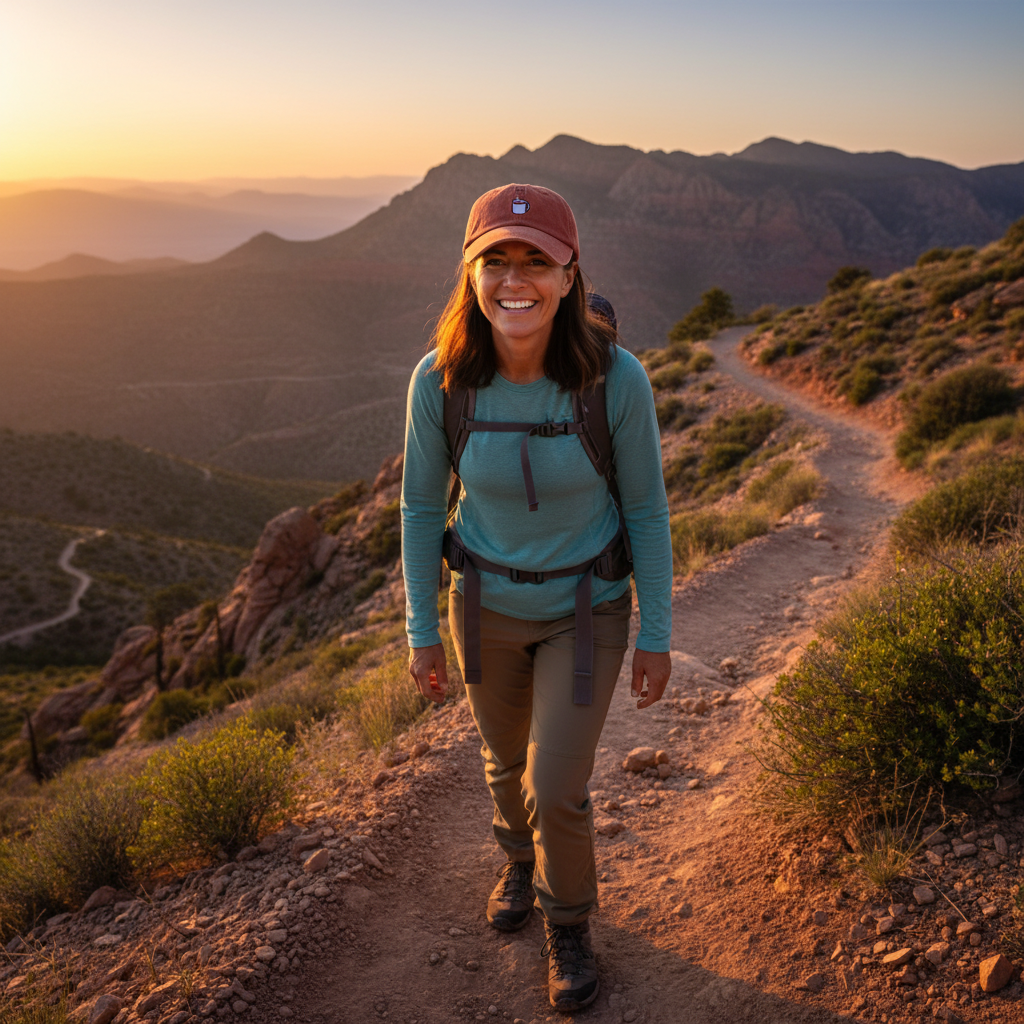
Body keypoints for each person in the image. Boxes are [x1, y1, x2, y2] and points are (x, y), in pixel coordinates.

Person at [401, 182, 672, 1012]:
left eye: (535, 262)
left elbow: (646, 510)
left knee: (557, 782)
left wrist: (656, 631)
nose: (514, 280)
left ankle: (568, 920)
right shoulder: (441, 381)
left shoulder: (613, 379)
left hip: (587, 612)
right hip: (482, 606)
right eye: (496, 260)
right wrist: (421, 627)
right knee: (502, 761)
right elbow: (418, 506)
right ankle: (517, 861)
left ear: (567, 275)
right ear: (471, 274)